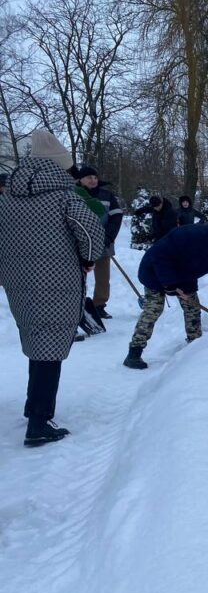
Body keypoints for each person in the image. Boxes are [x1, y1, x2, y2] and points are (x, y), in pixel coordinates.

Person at [0, 130, 105, 446]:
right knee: (50, 346)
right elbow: (90, 233)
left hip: (18, 282)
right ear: (60, 166)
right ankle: (39, 422)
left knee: (37, 338)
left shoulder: (7, 198)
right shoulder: (64, 197)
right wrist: (87, 259)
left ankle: (33, 406)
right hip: (56, 280)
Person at [123, 221, 208, 370]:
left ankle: (195, 348)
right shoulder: (190, 235)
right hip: (154, 271)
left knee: (192, 309)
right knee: (154, 309)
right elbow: (160, 255)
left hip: (185, 276)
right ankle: (134, 352)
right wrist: (170, 283)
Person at [74, 165, 123, 319]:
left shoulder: (107, 195)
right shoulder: (73, 194)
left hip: (103, 241)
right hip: (78, 243)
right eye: (89, 177)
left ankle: (99, 305)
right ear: (80, 179)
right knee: (77, 276)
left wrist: (108, 237)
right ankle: (76, 304)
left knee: (103, 277)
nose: (93, 180)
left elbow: (116, 217)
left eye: (95, 177)